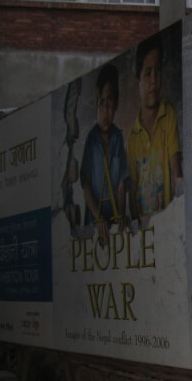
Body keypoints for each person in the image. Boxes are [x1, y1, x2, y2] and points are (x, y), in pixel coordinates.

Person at [127, 34, 182, 222]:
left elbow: (175, 168)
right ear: (138, 83)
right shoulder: (133, 137)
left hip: (167, 222)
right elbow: (132, 189)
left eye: (157, 71)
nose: (154, 80)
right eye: (147, 73)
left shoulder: (168, 115)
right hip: (145, 228)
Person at [80, 63, 129, 245]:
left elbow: (122, 184)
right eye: (102, 102)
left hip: (114, 226)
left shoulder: (117, 138)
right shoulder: (91, 141)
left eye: (110, 101)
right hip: (95, 225)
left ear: (115, 104)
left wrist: (121, 216)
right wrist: (98, 218)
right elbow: (85, 185)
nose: (106, 110)